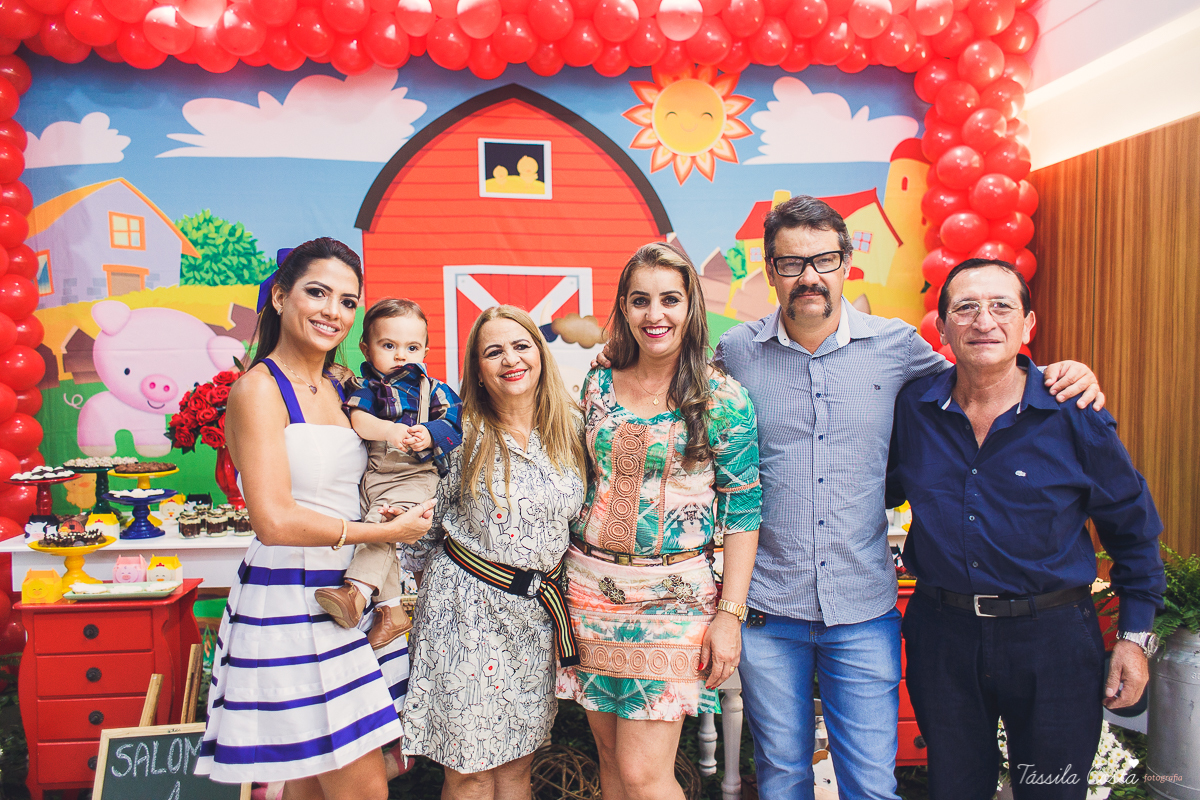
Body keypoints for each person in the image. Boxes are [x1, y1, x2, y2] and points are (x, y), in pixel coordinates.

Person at [710, 196, 1106, 800]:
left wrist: (1058, 373)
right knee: (782, 776)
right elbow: (674, 392)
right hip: (769, 608)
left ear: (847, 265)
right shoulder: (737, 352)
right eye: (791, 264)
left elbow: (982, 372)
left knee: (871, 785)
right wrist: (619, 360)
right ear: (770, 272)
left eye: (824, 260)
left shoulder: (896, 346)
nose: (809, 276)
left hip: (863, 610)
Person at [885, 259, 1164, 800]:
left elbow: (1132, 528)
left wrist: (1134, 639)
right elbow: (875, 490)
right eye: (965, 307)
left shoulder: (1074, 409)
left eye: (1001, 306)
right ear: (941, 327)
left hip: (1054, 638)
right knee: (954, 788)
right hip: (943, 635)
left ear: (1028, 324)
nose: (983, 321)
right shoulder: (913, 409)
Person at [195, 238, 436, 800]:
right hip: (293, 596)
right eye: (318, 293)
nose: (334, 311)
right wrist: (386, 533)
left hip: (351, 591)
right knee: (361, 787)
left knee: (315, 782)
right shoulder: (257, 391)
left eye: (348, 301)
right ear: (280, 297)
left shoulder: (345, 386)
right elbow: (274, 520)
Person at [557, 242, 762, 800]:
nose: (656, 314)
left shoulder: (723, 398)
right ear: (624, 307)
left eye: (670, 299)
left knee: (644, 774)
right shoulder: (597, 385)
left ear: (691, 307)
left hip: (674, 599)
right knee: (611, 763)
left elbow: (743, 512)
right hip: (590, 591)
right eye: (640, 300)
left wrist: (730, 616)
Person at [399, 305, 587, 799]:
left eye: (521, 346)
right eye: (494, 351)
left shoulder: (571, 429)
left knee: (518, 766)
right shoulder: (457, 433)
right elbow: (420, 533)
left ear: (540, 355)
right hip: (466, 615)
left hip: (535, 619)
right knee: (471, 772)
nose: (511, 359)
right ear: (478, 369)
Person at [315, 298, 462, 648]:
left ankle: (356, 592)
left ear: (425, 350)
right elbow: (359, 420)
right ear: (367, 348)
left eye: (412, 348)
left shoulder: (434, 389)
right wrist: (389, 430)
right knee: (380, 531)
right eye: (388, 346)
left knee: (383, 525)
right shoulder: (365, 388)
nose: (400, 356)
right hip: (373, 475)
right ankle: (392, 611)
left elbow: (455, 425)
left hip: (415, 476)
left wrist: (430, 433)